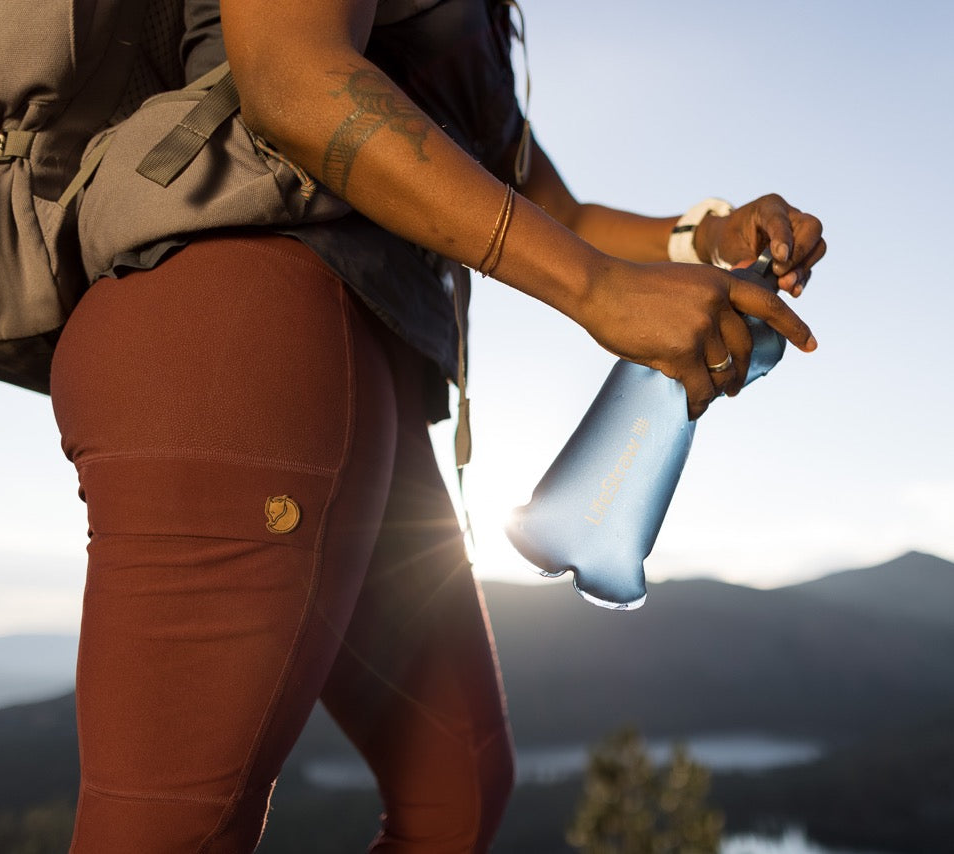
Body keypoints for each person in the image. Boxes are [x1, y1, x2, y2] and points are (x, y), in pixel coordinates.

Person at [48, 0, 826, 851]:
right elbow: (290, 73)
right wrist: (597, 290)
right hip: (237, 333)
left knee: (457, 786)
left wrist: (705, 238)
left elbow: (547, 206)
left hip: (359, 362)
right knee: (170, 831)